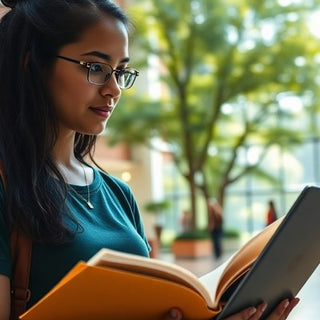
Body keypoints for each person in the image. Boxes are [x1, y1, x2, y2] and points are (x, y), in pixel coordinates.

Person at [0, 0, 299, 319]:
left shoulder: (118, 195)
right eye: (96, 68)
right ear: (31, 64)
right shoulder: (7, 188)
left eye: (121, 71)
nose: (114, 89)